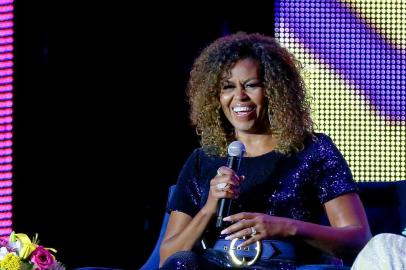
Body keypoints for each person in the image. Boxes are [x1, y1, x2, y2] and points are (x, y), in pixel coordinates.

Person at [159, 32, 371, 269]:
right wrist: (210, 207)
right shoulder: (203, 159)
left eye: (251, 85)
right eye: (228, 87)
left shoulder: (312, 150)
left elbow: (359, 239)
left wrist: (284, 227)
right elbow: (168, 258)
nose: (239, 97)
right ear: (215, 97)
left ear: (274, 90)